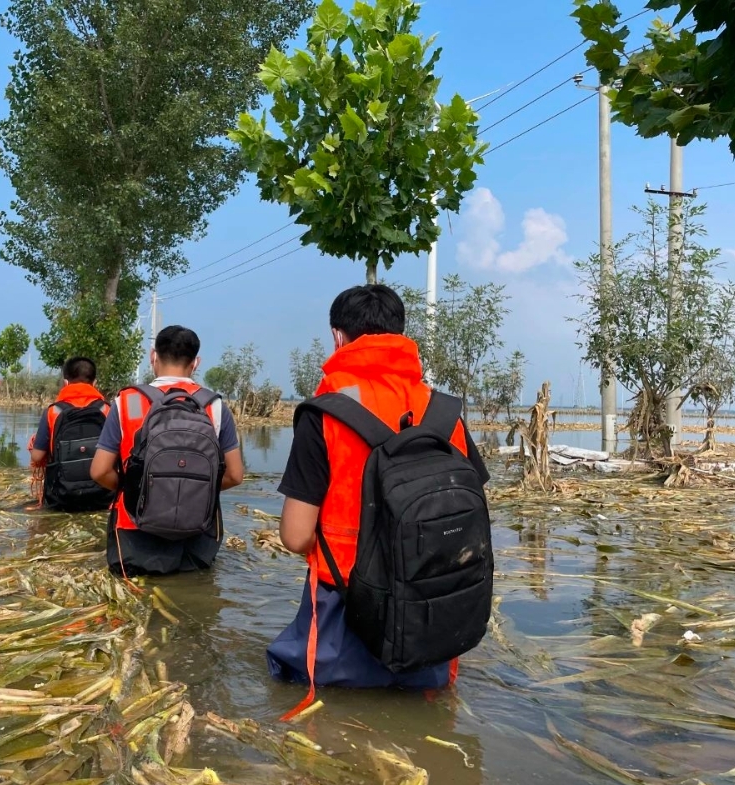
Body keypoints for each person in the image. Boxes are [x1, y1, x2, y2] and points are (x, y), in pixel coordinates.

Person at [267, 284, 491, 704]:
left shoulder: (325, 411)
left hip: (346, 606)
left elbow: (296, 536)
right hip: (435, 612)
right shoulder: (443, 411)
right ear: (401, 335)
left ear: (338, 336)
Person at [90, 325, 244, 576]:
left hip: (133, 532)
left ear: (153, 357)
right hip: (198, 534)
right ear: (196, 363)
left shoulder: (127, 402)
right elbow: (235, 475)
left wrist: (133, 487)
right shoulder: (215, 406)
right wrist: (195, 490)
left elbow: (99, 471)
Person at [29, 357, 113, 512]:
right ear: (95, 383)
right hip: (103, 497)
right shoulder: (108, 410)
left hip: (61, 498)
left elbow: (37, 457)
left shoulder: (53, 412)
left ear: (65, 383)